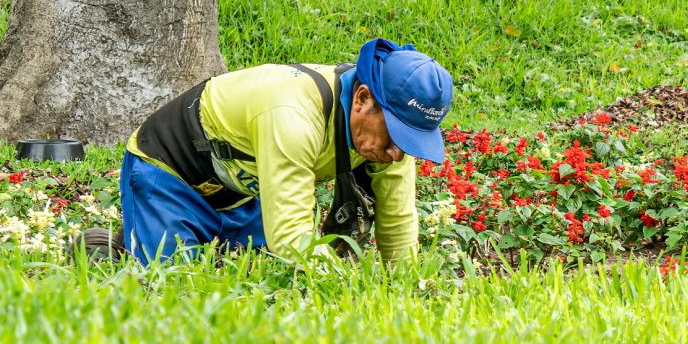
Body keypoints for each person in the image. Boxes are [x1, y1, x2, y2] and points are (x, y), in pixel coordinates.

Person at [103, 38, 452, 265]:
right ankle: (111, 251)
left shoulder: (387, 142)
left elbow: (398, 222)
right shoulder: (293, 114)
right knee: (175, 284)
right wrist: (345, 291)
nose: (397, 154)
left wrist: (407, 291)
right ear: (362, 99)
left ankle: (142, 239)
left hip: (240, 191)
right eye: (396, 136)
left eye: (410, 142)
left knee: (258, 281)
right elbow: (292, 238)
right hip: (169, 172)